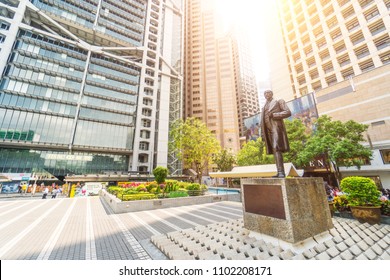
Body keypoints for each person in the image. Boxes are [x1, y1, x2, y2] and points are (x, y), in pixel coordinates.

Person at [260, 90, 291, 178]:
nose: (266, 95)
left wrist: (274, 115)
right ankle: (279, 172)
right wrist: (263, 134)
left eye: (268, 93)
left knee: (277, 148)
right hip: (268, 131)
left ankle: (281, 172)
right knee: (274, 150)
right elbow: (262, 122)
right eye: (265, 94)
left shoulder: (279, 101)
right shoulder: (264, 106)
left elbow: (288, 112)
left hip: (276, 128)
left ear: (272, 94)